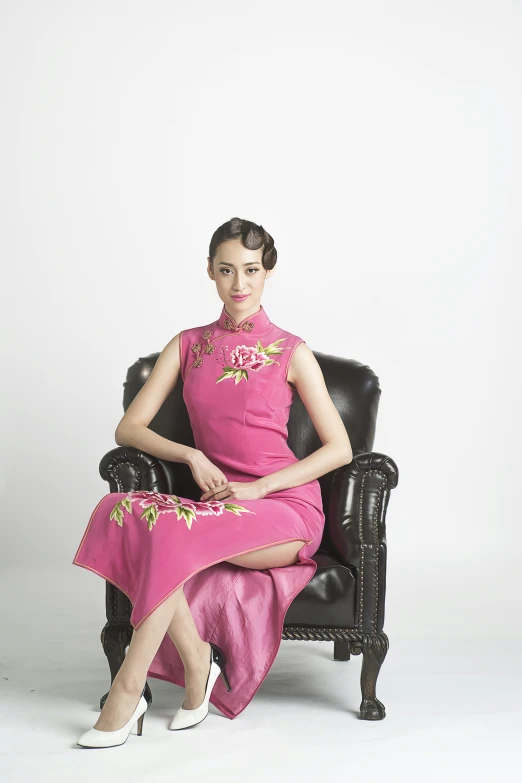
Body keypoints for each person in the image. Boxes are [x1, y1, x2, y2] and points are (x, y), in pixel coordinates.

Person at [73, 217, 353, 748]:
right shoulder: (187, 344)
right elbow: (128, 427)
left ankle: (126, 693)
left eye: (251, 270)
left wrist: (259, 488)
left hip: (284, 510)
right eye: (227, 270)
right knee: (124, 508)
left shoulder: (291, 350)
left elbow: (338, 449)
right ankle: (198, 665)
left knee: (168, 531)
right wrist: (190, 454)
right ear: (210, 272)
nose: (239, 284)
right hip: (217, 508)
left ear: (268, 272)